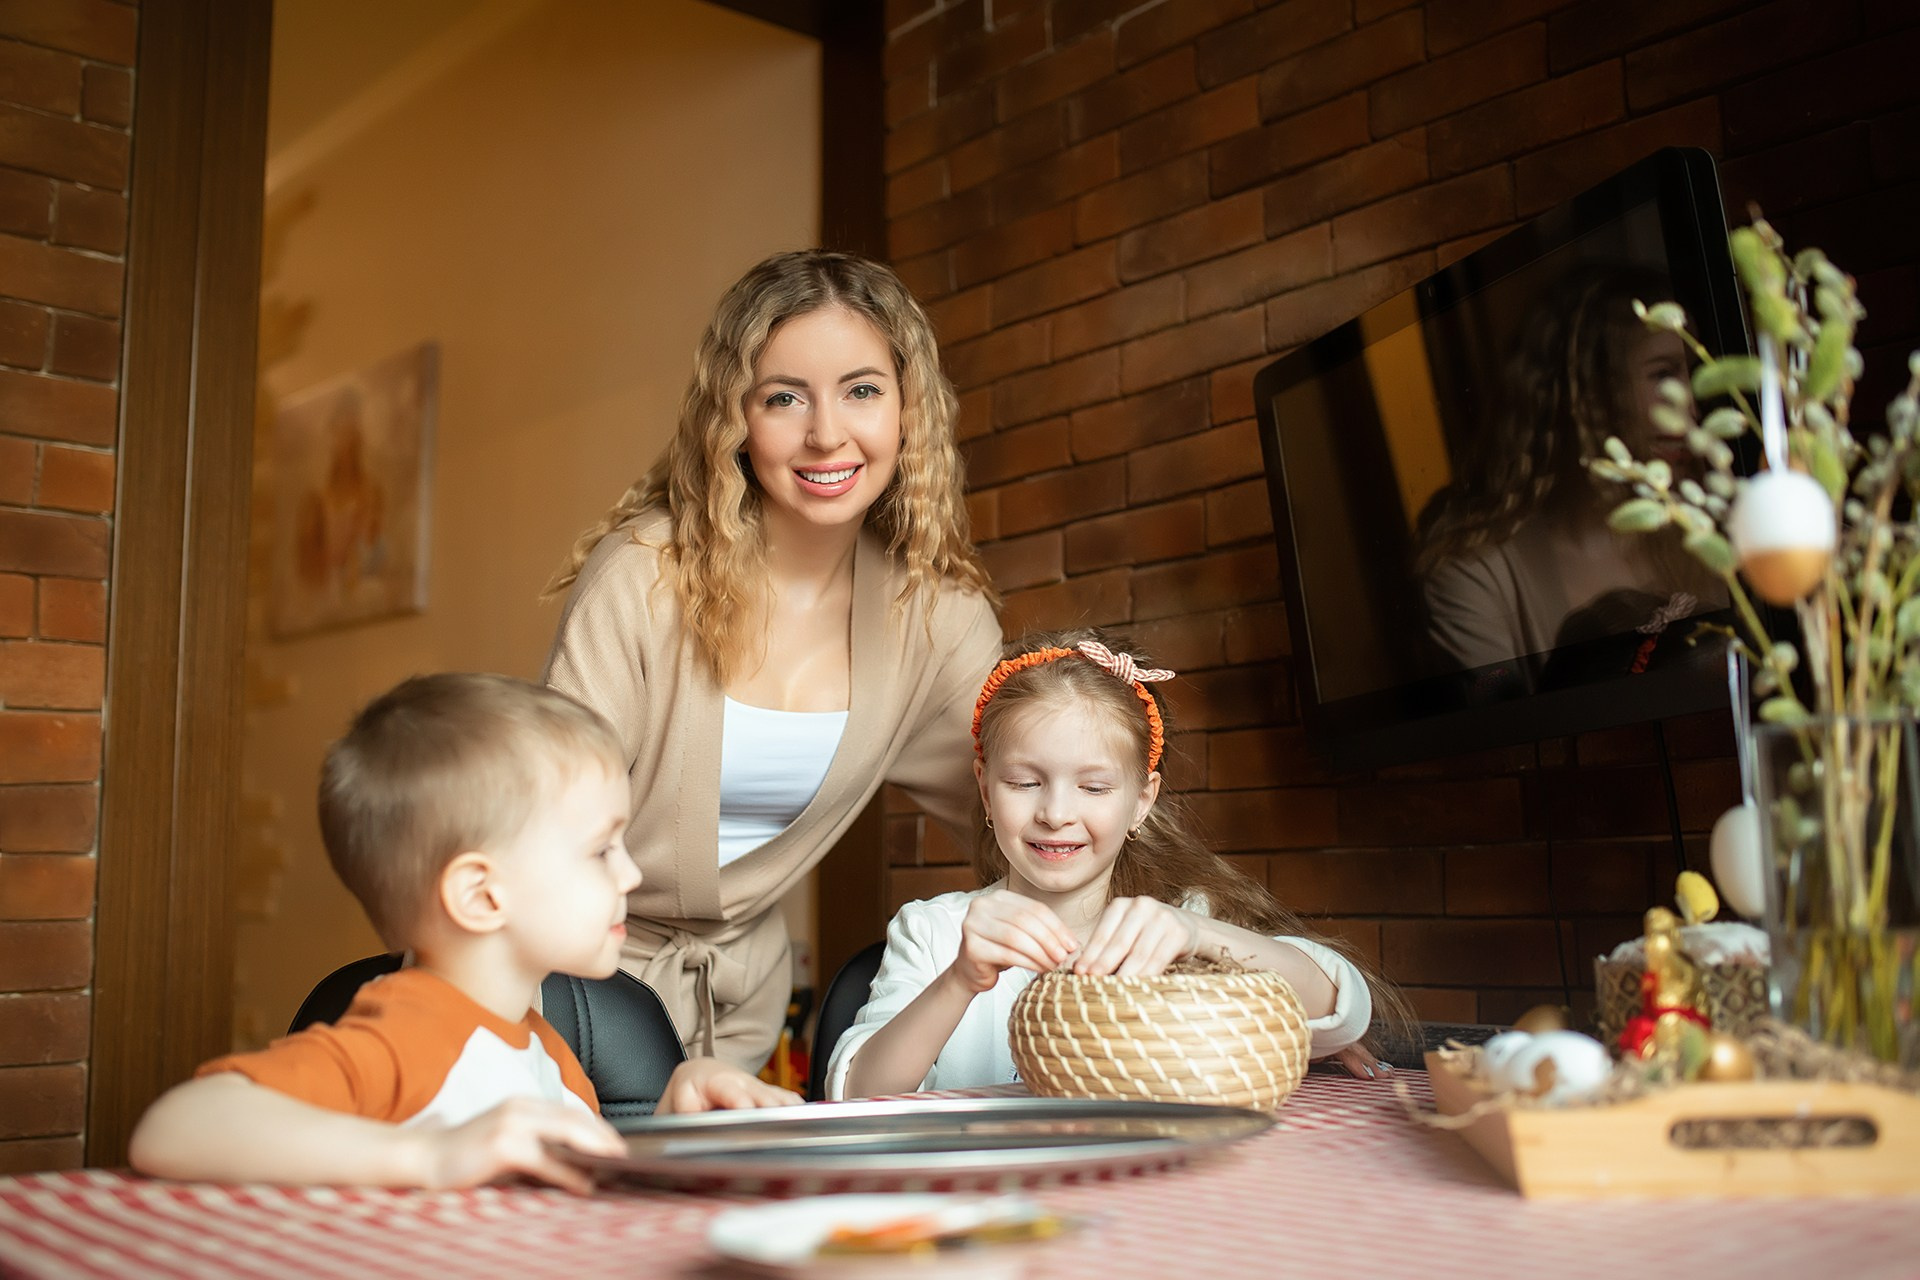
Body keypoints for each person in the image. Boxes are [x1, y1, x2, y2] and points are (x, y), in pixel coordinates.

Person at [542, 250, 1000, 1072]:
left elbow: (1033, 806)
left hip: (738, 1018)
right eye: (784, 398)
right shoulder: (642, 580)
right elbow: (542, 832)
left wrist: (1185, 927)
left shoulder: (936, 616)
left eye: (862, 390)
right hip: (570, 996)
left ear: (908, 408)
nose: (828, 432)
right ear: (734, 420)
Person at [129, 674, 798, 1192]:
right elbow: (172, 1130)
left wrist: (671, 1126)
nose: (630, 874)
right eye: (601, 851)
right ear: (481, 895)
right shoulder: (408, 1034)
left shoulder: (548, 1052)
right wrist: (429, 1155)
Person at [825, 631, 1409, 1099]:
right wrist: (959, 980)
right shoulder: (933, 934)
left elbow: (1342, 1007)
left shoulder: (1177, 928)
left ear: (1142, 801)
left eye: (1095, 788)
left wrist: (1198, 933)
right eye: (1025, 782)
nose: (1056, 813)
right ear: (984, 790)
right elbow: (854, 1091)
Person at [1416, 265, 1726, 685]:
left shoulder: (1708, 533)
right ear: (1587, 387)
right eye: (1664, 373)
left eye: (1691, 373)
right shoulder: (1477, 569)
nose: (1691, 409)